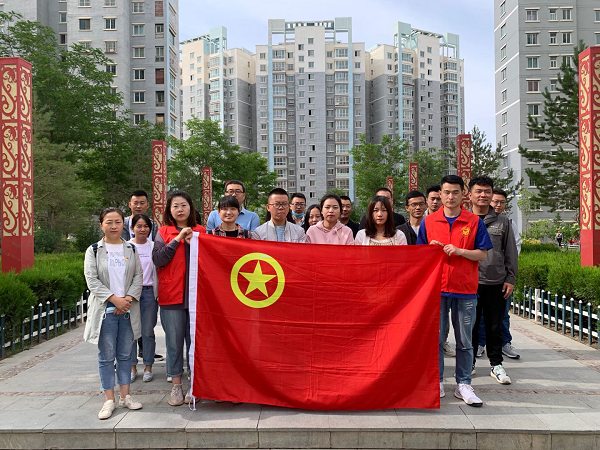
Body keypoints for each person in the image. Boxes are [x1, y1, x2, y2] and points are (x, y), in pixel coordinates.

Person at [417, 175, 492, 407]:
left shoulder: (474, 222)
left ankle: (464, 383)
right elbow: (418, 256)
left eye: (455, 192)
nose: (450, 197)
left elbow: (482, 254)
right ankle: (437, 380)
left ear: (463, 195)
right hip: (436, 290)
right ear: (440, 194)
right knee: (436, 340)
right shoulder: (428, 222)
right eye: (446, 192)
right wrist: (429, 249)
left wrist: (460, 251)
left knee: (465, 341)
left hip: (465, 289)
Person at [83, 207, 143, 420]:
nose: (114, 226)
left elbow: (138, 276)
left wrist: (127, 300)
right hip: (105, 312)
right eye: (109, 222)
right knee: (106, 357)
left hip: (127, 310)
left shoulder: (131, 249)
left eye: (118, 221)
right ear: (101, 225)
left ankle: (125, 396)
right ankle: (109, 399)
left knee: (126, 355)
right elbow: (92, 280)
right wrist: (114, 299)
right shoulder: (94, 250)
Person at [152, 191, 206, 406]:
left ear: (191, 208)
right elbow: (158, 259)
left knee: (195, 343)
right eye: (175, 206)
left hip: (197, 298)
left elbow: (210, 260)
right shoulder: (163, 232)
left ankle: (194, 385)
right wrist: (178, 239)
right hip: (171, 297)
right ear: (169, 210)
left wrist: (194, 243)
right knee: (174, 343)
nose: (180, 209)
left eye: (184, 205)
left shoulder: (201, 231)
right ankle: (176, 385)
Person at [469, 177, 518, 386]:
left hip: (495, 282)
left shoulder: (502, 221)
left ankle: (496, 364)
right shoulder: (464, 219)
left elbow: (510, 252)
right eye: (478, 191)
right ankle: (469, 363)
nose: (483, 195)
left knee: (494, 326)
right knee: (470, 326)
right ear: (469, 194)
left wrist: (510, 278)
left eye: (487, 191)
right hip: (469, 283)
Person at [477, 189, 521, 359]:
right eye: (496, 201)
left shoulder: (507, 223)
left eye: (502, 202)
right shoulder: (474, 220)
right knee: (479, 316)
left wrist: (509, 275)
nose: (498, 205)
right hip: (477, 278)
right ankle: (480, 343)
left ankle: (504, 344)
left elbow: (513, 250)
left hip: (498, 277)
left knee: (502, 315)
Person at [121, 190, 163, 363]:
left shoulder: (154, 226)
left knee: (147, 328)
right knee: (128, 328)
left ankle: (146, 357)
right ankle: (126, 361)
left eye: (142, 203)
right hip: (127, 288)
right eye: (135, 203)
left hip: (148, 288)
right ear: (130, 204)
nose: (138, 206)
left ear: (147, 205)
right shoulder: (121, 224)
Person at [129, 214, 159, 384]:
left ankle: (148, 366)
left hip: (149, 293)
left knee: (147, 331)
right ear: (132, 228)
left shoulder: (154, 246)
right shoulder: (126, 247)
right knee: (131, 332)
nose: (142, 229)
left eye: (146, 226)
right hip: (131, 294)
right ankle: (132, 367)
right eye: (139, 226)